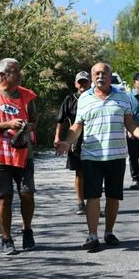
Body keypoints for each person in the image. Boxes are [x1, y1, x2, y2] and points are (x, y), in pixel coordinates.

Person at [54, 62, 139, 251]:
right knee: (92, 196)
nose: (100, 76)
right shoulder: (84, 98)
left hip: (116, 155)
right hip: (91, 155)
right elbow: (77, 126)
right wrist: (67, 142)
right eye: (97, 73)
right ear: (92, 77)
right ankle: (92, 236)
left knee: (113, 196)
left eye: (104, 73)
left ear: (110, 76)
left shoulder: (123, 97)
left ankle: (109, 232)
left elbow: (129, 123)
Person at [0, 58, 38, 255]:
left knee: (27, 194)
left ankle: (27, 231)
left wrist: (27, 127)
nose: (20, 74)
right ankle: (6, 238)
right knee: (5, 197)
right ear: (3, 75)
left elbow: (35, 120)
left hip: (23, 153)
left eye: (19, 71)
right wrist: (8, 124)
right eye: (15, 71)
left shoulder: (27, 96)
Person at [54, 71, 91, 215]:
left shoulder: (95, 98)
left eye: (85, 82)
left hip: (94, 140)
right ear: (76, 84)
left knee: (94, 173)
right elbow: (60, 120)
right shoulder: (70, 100)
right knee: (80, 173)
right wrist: (58, 137)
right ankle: (81, 203)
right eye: (80, 82)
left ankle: (93, 203)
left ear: (89, 83)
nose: (82, 85)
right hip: (75, 142)